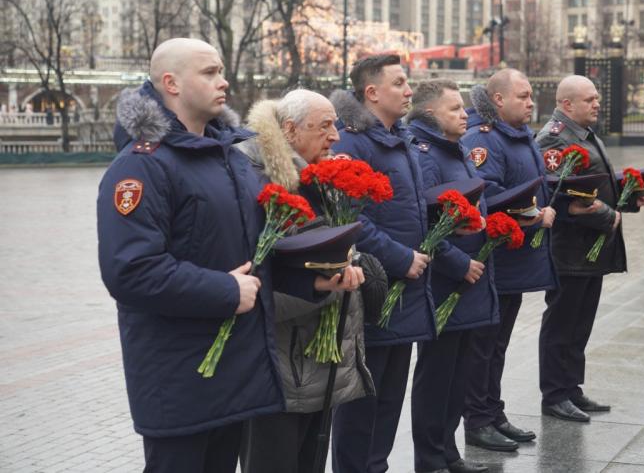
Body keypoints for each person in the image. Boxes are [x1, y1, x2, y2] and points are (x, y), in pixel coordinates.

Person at [97, 38, 361, 473]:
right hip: (179, 378)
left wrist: (311, 279)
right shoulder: (140, 166)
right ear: (171, 83)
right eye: (209, 72)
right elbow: (130, 271)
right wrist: (224, 289)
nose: (223, 81)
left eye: (221, 71)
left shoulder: (231, 161)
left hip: (237, 375)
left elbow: (259, 252)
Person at [236, 89, 373, 473]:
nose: (336, 136)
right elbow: (259, 277)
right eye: (325, 126)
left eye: (336, 124)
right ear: (291, 129)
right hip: (282, 366)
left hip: (315, 364)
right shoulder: (258, 177)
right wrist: (319, 289)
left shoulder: (314, 176)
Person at [329, 54, 435, 473]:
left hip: (404, 290)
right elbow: (351, 219)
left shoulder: (399, 137)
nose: (410, 91)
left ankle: (377, 466)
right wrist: (401, 257)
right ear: (371, 92)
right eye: (400, 83)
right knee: (362, 400)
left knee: (389, 397)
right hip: (374, 288)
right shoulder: (352, 141)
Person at [535, 75, 644, 422]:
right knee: (562, 323)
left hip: (589, 251)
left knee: (579, 324)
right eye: (589, 99)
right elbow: (559, 195)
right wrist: (607, 216)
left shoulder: (584, 134)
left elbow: (595, 186)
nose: (597, 103)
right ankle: (554, 395)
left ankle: (571, 388)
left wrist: (629, 196)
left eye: (597, 98)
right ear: (567, 104)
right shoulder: (553, 140)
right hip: (568, 251)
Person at [460, 69, 557, 451]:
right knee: (483, 346)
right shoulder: (484, 140)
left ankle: (493, 412)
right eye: (523, 95)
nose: (531, 102)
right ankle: (477, 419)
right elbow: (489, 195)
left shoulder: (520, 136)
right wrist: (534, 216)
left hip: (516, 261)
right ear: (498, 100)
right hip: (495, 260)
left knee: (497, 346)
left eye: (532, 95)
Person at [407, 80, 498, 473]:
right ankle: (430, 458)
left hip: (469, 280)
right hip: (445, 283)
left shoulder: (455, 149)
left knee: (458, 373)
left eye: (463, 108)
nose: (465, 115)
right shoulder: (426, 156)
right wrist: (459, 264)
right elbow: (424, 224)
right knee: (437, 375)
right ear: (430, 114)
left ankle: (448, 452)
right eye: (455, 109)